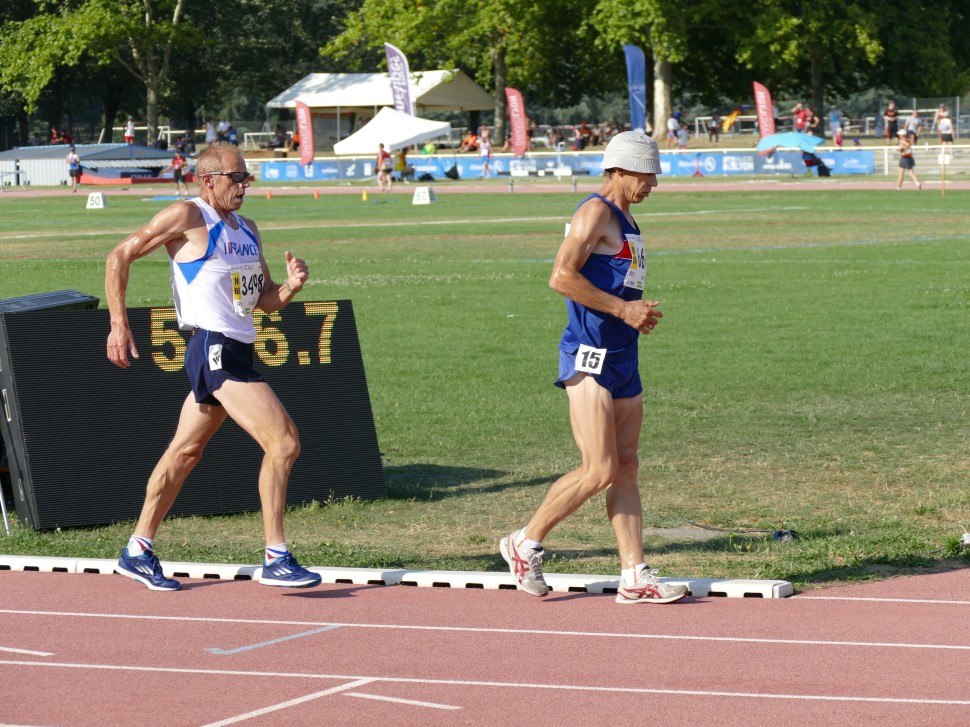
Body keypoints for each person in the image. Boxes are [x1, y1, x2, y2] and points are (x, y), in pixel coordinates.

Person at [105, 141, 319, 592]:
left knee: (185, 453)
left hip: (237, 347)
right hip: (212, 347)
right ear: (208, 181)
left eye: (247, 177)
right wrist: (119, 326)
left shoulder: (247, 228)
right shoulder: (187, 216)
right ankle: (276, 556)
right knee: (283, 443)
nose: (246, 185)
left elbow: (263, 301)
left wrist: (293, 286)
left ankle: (137, 549)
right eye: (236, 177)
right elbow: (119, 255)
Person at [498, 131, 689, 606]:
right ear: (621, 169)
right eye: (648, 175)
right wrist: (624, 310)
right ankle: (524, 544)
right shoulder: (595, 211)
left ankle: (634, 576)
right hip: (588, 355)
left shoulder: (626, 218)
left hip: (624, 354)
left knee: (626, 468)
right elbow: (560, 275)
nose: (654, 184)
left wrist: (631, 313)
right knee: (600, 468)